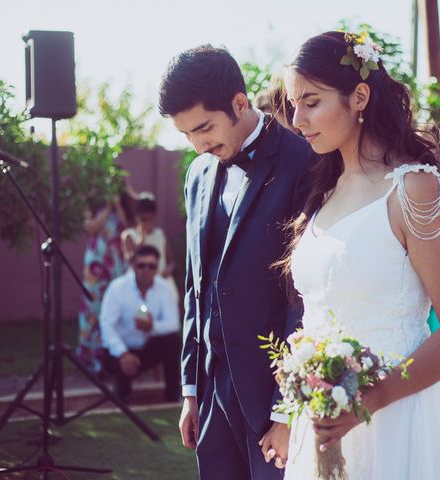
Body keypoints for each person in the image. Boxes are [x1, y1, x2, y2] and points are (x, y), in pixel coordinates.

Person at [280, 31, 440, 479]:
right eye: (294, 103)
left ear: (359, 97)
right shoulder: (324, 192)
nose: (297, 118)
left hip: (393, 417)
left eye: (311, 102)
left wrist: (369, 401)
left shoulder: (414, 191)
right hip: (321, 418)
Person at [158, 45, 313, 479]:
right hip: (210, 394)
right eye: (187, 135)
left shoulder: (304, 162)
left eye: (204, 128)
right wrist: (191, 390)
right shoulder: (197, 173)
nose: (199, 145)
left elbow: (303, 297)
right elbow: (195, 286)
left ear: (239, 103)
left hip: (271, 394)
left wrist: (287, 408)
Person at [100, 244, 181, 402]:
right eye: (141, 265)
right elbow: (106, 325)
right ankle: (122, 388)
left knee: (172, 340)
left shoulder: (164, 288)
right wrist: (123, 354)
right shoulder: (117, 288)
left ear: (157, 268)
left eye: (151, 266)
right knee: (121, 397)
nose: (146, 270)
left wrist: (153, 327)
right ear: (133, 265)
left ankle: (173, 395)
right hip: (120, 350)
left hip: (146, 348)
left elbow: (173, 324)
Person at [77, 184, 136, 373]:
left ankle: (116, 359)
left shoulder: (125, 205)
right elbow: (90, 229)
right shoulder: (92, 205)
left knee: (117, 307)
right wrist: (108, 209)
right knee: (94, 308)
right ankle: (92, 360)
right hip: (97, 264)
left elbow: (130, 228)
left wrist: (118, 205)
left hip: (117, 263)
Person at [121, 192, 178, 300]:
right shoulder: (128, 235)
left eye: (151, 219)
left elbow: (171, 261)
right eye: (143, 219)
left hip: (162, 283)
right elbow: (130, 261)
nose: (148, 223)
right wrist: (142, 239)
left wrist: (164, 273)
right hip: (139, 287)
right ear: (137, 218)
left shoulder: (160, 234)